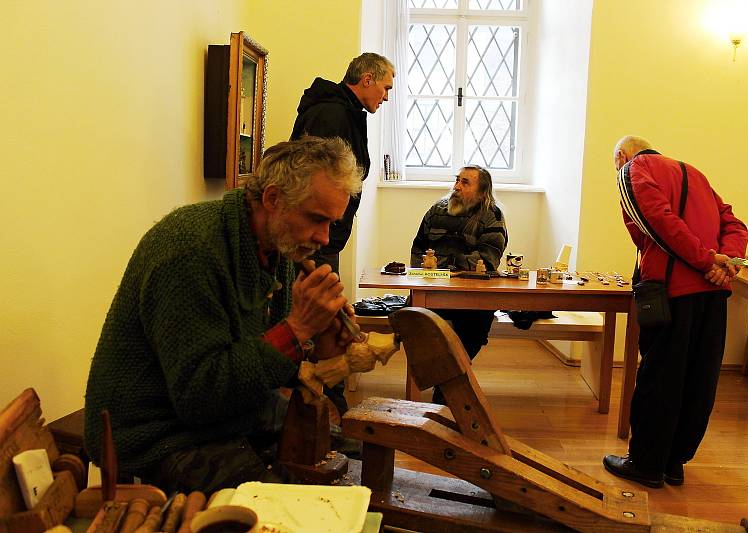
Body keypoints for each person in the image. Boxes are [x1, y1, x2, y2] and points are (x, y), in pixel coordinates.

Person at [84, 137, 363, 494]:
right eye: (316, 219)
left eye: (332, 223)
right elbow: (201, 397)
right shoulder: (190, 251)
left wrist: (319, 344)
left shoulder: (280, 248)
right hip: (157, 430)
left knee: (355, 455)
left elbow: (262, 360)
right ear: (273, 199)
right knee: (294, 502)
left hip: (234, 410)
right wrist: (297, 329)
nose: (324, 238)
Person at [603, 136, 748, 488]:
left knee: (660, 376)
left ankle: (647, 464)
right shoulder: (695, 173)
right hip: (713, 292)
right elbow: (736, 226)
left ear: (622, 155)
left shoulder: (633, 169)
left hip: (672, 291)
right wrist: (725, 262)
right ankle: (674, 462)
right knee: (700, 379)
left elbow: (659, 222)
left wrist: (707, 259)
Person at [410, 165, 508, 405]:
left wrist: (443, 265)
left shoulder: (491, 216)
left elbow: (487, 260)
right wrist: (445, 268)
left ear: (482, 191)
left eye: (465, 183)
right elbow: (417, 252)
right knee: (417, 324)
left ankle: (445, 385)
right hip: (433, 291)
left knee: (475, 330)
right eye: (456, 180)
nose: (456, 187)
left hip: (471, 295)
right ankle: (447, 382)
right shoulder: (436, 211)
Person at [290, 52, 394, 274]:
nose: (386, 97)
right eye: (386, 88)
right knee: (318, 305)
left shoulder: (345, 111)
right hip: (314, 237)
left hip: (324, 235)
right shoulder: (331, 114)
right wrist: (326, 228)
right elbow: (317, 180)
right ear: (367, 80)